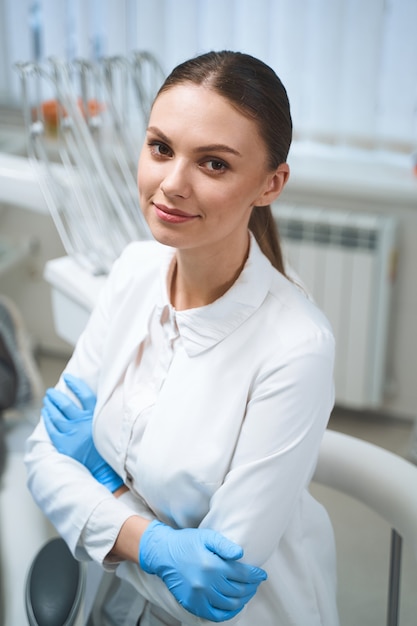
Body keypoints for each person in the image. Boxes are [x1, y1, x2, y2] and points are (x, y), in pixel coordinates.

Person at [24, 51, 339, 625]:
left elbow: (211, 592)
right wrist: (157, 547)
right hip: (116, 608)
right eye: (161, 148)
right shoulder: (134, 271)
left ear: (271, 184)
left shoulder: (296, 347)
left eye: (214, 164)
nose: (171, 184)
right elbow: (42, 457)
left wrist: (104, 487)